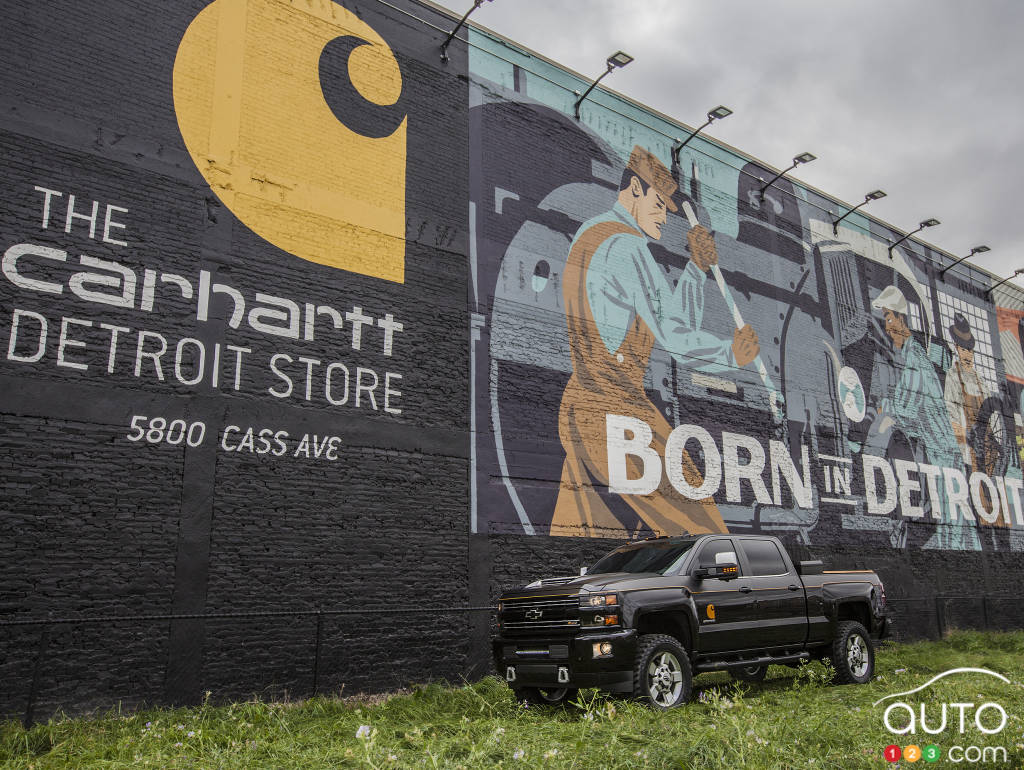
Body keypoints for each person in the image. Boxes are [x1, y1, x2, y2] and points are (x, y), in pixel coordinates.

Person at [550, 145, 759, 537]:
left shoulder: (591, 233)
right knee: (706, 532)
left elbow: (661, 322)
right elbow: (676, 336)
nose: (664, 216)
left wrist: (695, 269)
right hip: (618, 413)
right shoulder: (627, 247)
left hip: (580, 407)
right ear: (633, 189)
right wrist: (731, 353)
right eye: (659, 204)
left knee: (584, 539)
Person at [869, 286, 979, 550]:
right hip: (936, 453)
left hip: (943, 455)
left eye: (888, 317)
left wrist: (884, 412)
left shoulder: (916, 359)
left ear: (901, 319)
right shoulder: (909, 355)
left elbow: (904, 407)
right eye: (885, 318)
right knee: (954, 519)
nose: (886, 325)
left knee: (954, 521)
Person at [943, 313, 1005, 520]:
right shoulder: (952, 378)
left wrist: (995, 442)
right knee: (978, 509)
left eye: (970, 349)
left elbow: (994, 418)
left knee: (997, 510)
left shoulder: (981, 381)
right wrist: (967, 436)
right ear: (956, 349)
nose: (967, 355)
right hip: (968, 458)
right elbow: (950, 420)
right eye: (963, 349)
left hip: (988, 459)